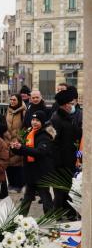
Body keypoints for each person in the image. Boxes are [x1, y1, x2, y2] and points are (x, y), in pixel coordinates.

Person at [10, 111, 55, 215]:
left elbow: (39, 152)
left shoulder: (45, 135)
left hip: (42, 173)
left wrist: (22, 147)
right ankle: (20, 219)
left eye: (37, 120)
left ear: (42, 122)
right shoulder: (29, 133)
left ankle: (50, 219)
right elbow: (24, 150)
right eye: (33, 120)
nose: (34, 122)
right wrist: (15, 148)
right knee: (27, 197)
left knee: (45, 197)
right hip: (30, 172)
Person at [50, 88, 81, 219]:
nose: (72, 106)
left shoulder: (67, 117)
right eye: (71, 104)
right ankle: (57, 214)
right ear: (65, 105)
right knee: (59, 189)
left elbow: (75, 134)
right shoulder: (56, 119)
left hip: (68, 159)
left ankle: (68, 213)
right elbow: (53, 141)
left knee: (66, 188)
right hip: (60, 161)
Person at [4, 94, 26, 193]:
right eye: (11, 99)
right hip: (7, 140)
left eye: (14, 100)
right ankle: (11, 183)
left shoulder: (23, 111)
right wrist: (6, 136)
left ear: (19, 101)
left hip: (18, 140)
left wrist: (19, 139)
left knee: (17, 163)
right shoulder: (8, 111)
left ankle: (19, 184)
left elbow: (25, 127)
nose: (12, 101)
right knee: (8, 163)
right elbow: (5, 125)